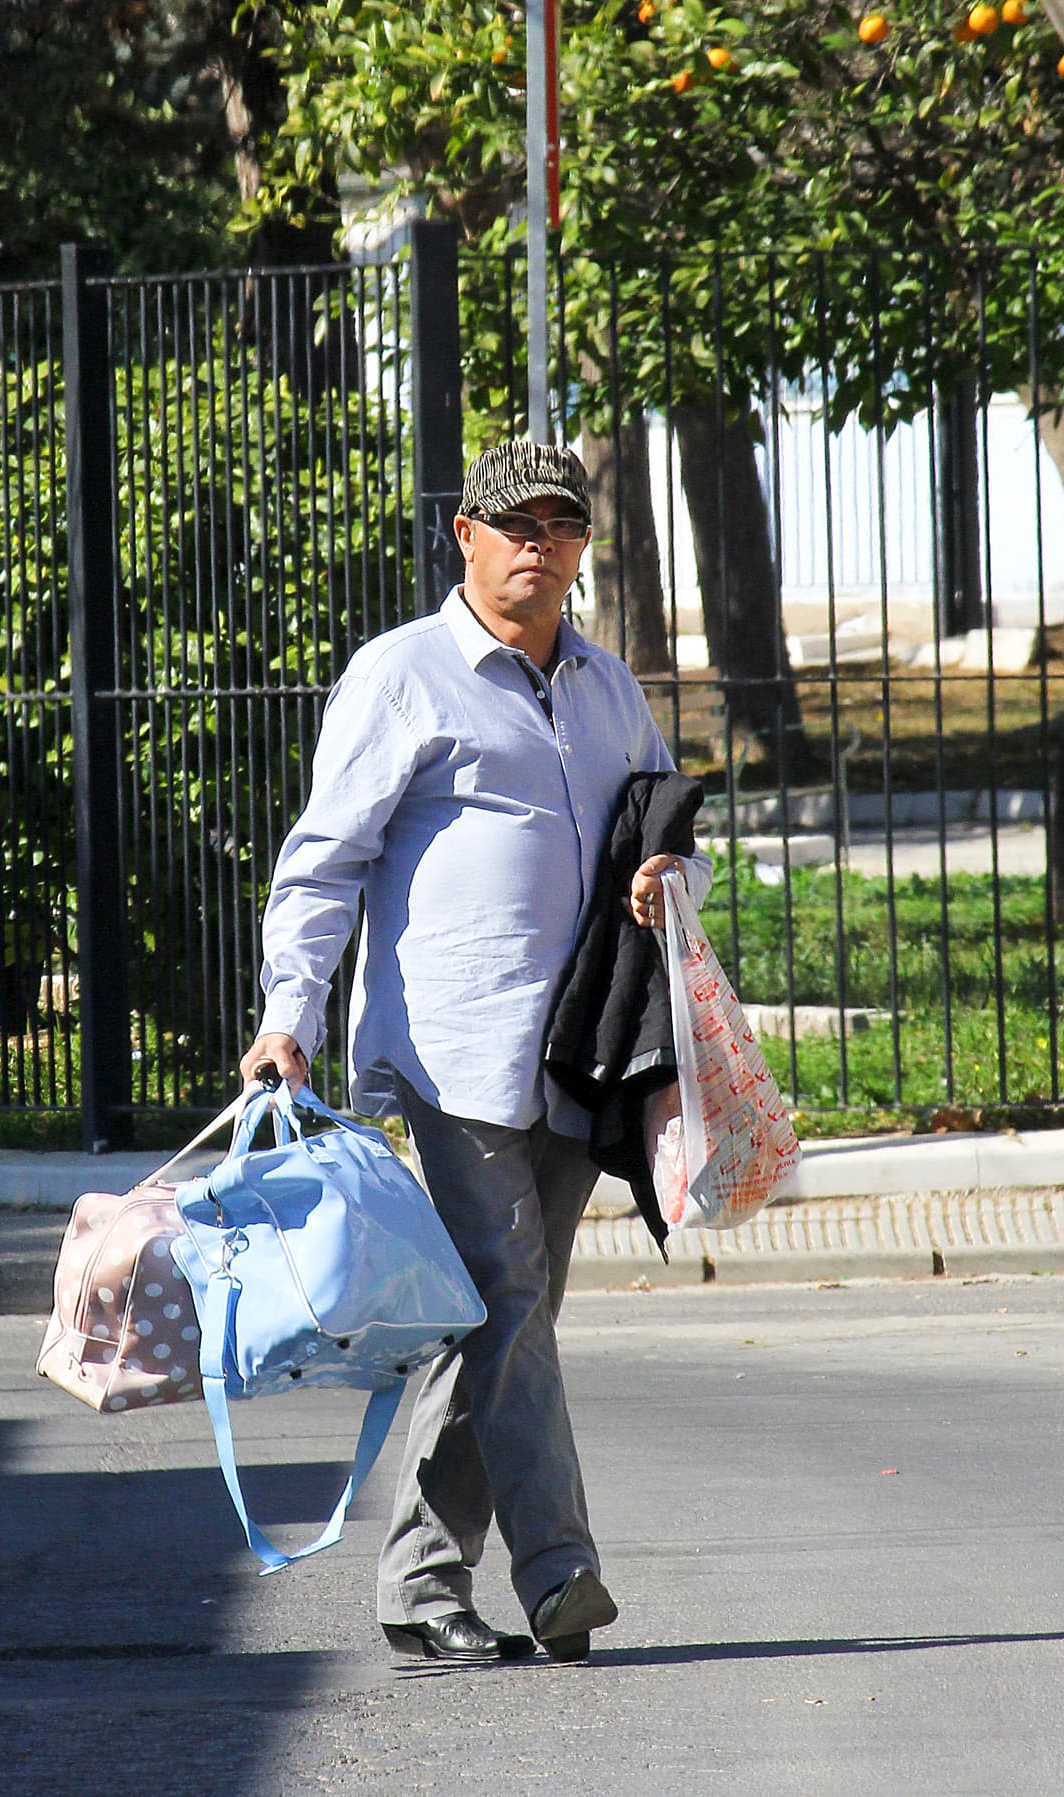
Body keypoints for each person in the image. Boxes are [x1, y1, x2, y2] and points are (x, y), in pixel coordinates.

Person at [239, 439, 703, 1665]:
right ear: (464, 534)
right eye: (513, 524)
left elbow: (658, 836)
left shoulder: (609, 689)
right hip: (452, 1052)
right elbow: (322, 860)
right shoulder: (400, 678)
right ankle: (560, 1575)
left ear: (582, 546)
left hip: (577, 1045)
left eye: (558, 524)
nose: (535, 545)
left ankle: (420, 1582)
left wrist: (664, 880)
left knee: (500, 1321)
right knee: (502, 1302)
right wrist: (287, 1011)